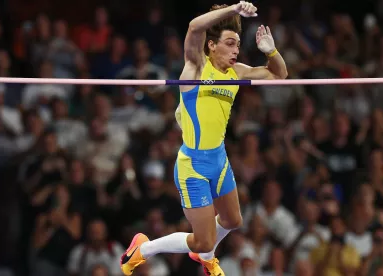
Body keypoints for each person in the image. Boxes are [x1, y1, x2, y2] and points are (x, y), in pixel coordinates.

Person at [120, 1, 288, 276]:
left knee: (233, 220)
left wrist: (271, 51)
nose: (236, 50)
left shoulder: (238, 73)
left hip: (219, 159)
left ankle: (205, 254)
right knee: (203, 238)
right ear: (211, 46)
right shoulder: (195, 67)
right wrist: (234, 10)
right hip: (193, 165)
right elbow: (194, 26)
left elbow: (280, 74)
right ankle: (143, 248)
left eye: (237, 45)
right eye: (230, 43)